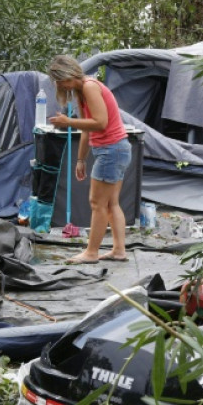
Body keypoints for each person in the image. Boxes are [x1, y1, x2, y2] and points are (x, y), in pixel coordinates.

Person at [47, 55, 132, 264]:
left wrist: (68, 122)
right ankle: (119, 250)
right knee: (111, 203)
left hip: (111, 150)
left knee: (97, 203)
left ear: (67, 76)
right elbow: (87, 128)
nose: (58, 85)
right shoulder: (81, 91)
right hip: (115, 149)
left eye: (58, 81)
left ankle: (91, 253)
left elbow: (100, 122)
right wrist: (80, 160)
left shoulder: (89, 87)